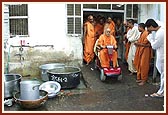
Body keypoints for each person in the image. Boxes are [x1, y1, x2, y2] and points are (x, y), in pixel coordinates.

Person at [145, 19, 164, 97]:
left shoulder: (160, 34)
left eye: (149, 29)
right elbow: (157, 21)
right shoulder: (161, 26)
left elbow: (154, 46)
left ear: (152, 26)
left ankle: (161, 92)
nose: (149, 31)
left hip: (163, 56)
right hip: (162, 54)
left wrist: (150, 38)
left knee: (163, 75)